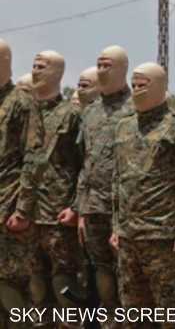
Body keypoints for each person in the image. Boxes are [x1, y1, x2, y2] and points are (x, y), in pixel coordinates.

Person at [110, 63, 175, 329]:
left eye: (143, 84)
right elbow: (117, 180)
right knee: (133, 314)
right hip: (128, 237)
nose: (137, 89)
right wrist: (116, 226)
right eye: (134, 84)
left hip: (164, 237)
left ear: (161, 86)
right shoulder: (123, 126)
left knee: (171, 314)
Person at [27, 51, 86, 320]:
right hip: (27, 214)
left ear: (58, 73)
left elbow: (86, 164)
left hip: (58, 214)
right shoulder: (25, 113)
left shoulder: (72, 115)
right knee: (35, 286)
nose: (36, 71)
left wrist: (76, 207)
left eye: (42, 66)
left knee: (64, 284)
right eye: (34, 66)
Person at [77, 45, 133, 323]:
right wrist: (80, 209)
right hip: (94, 207)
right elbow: (85, 163)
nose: (100, 70)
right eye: (98, 65)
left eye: (106, 65)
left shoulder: (136, 108)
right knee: (101, 271)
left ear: (122, 68)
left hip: (126, 208)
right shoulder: (90, 112)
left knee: (128, 273)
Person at [0, 39, 40, 317]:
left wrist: (23, 209)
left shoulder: (21, 103)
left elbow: (34, 159)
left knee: (10, 284)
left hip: (9, 208)